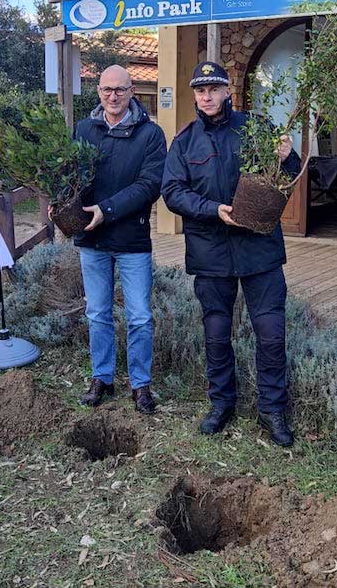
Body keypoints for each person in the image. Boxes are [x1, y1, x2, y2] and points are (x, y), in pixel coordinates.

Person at [161, 60, 301, 447]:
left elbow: (287, 176)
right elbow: (172, 192)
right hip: (211, 252)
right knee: (217, 334)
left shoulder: (255, 128)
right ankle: (221, 403)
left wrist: (287, 155)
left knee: (271, 334)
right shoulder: (185, 142)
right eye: (200, 90)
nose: (207, 96)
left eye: (214, 89)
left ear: (227, 92)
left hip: (260, 249)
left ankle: (272, 409)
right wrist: (213, 210)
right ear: (195, 95)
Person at [70, 64, 166, 414]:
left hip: (131, 239)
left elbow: (149, 185)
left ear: (132, 92)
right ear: (98, 91)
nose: (113, 96)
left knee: (139, 316)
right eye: (107, 90)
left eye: (120, 90)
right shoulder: (83, 129)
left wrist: (105, 210)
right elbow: (71, 177)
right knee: (97, 314)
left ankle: (140, 385)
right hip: (92, 240)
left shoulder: (150, 135)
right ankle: (102, 378)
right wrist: (61, 203)